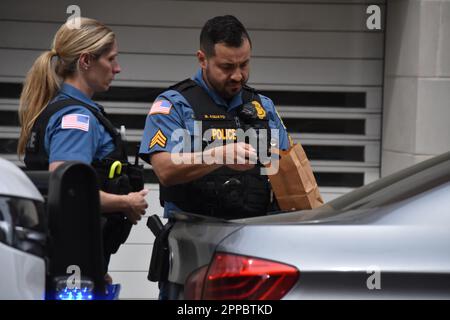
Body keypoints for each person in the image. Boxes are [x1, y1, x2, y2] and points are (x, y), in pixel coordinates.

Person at [139, 15, 291, 299]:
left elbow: (286, 171)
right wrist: (218, 155)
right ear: (202, 59)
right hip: (192, 250)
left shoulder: (263, 107)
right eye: (226, 67)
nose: (237, 75)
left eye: (244, 64)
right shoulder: (174, 104)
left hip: (253, 249)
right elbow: (164, 169)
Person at [17, 17, 148, 280]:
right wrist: (126, 202)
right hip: (70, 259)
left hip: (68, 259)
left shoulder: (62, 109)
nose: (117, 68)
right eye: (111, 59)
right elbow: (69, 192)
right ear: (86, 61)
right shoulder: (77, 120)